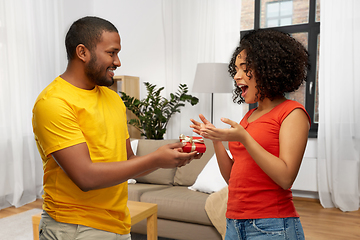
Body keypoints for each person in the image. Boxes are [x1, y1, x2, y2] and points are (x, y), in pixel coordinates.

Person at [32, 16, 200, 240]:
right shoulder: (53, 103)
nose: (118, 62)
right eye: (111, 53)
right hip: (74, 228)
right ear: (82, 52)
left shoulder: (113, 100)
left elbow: (129, 162)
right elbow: (85, 178)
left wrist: (169, 157)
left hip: (118, 225)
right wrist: (155, 159)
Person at [190, 29, 310, 240]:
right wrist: (216, 140)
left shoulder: (293, 113)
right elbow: (231, 178)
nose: (236, 77)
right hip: (234, 223)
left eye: (245, 69)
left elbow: (285, 178)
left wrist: (244, 137)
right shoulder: (249, 116)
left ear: (268, 70)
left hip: (272, 225)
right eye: (235, 70)